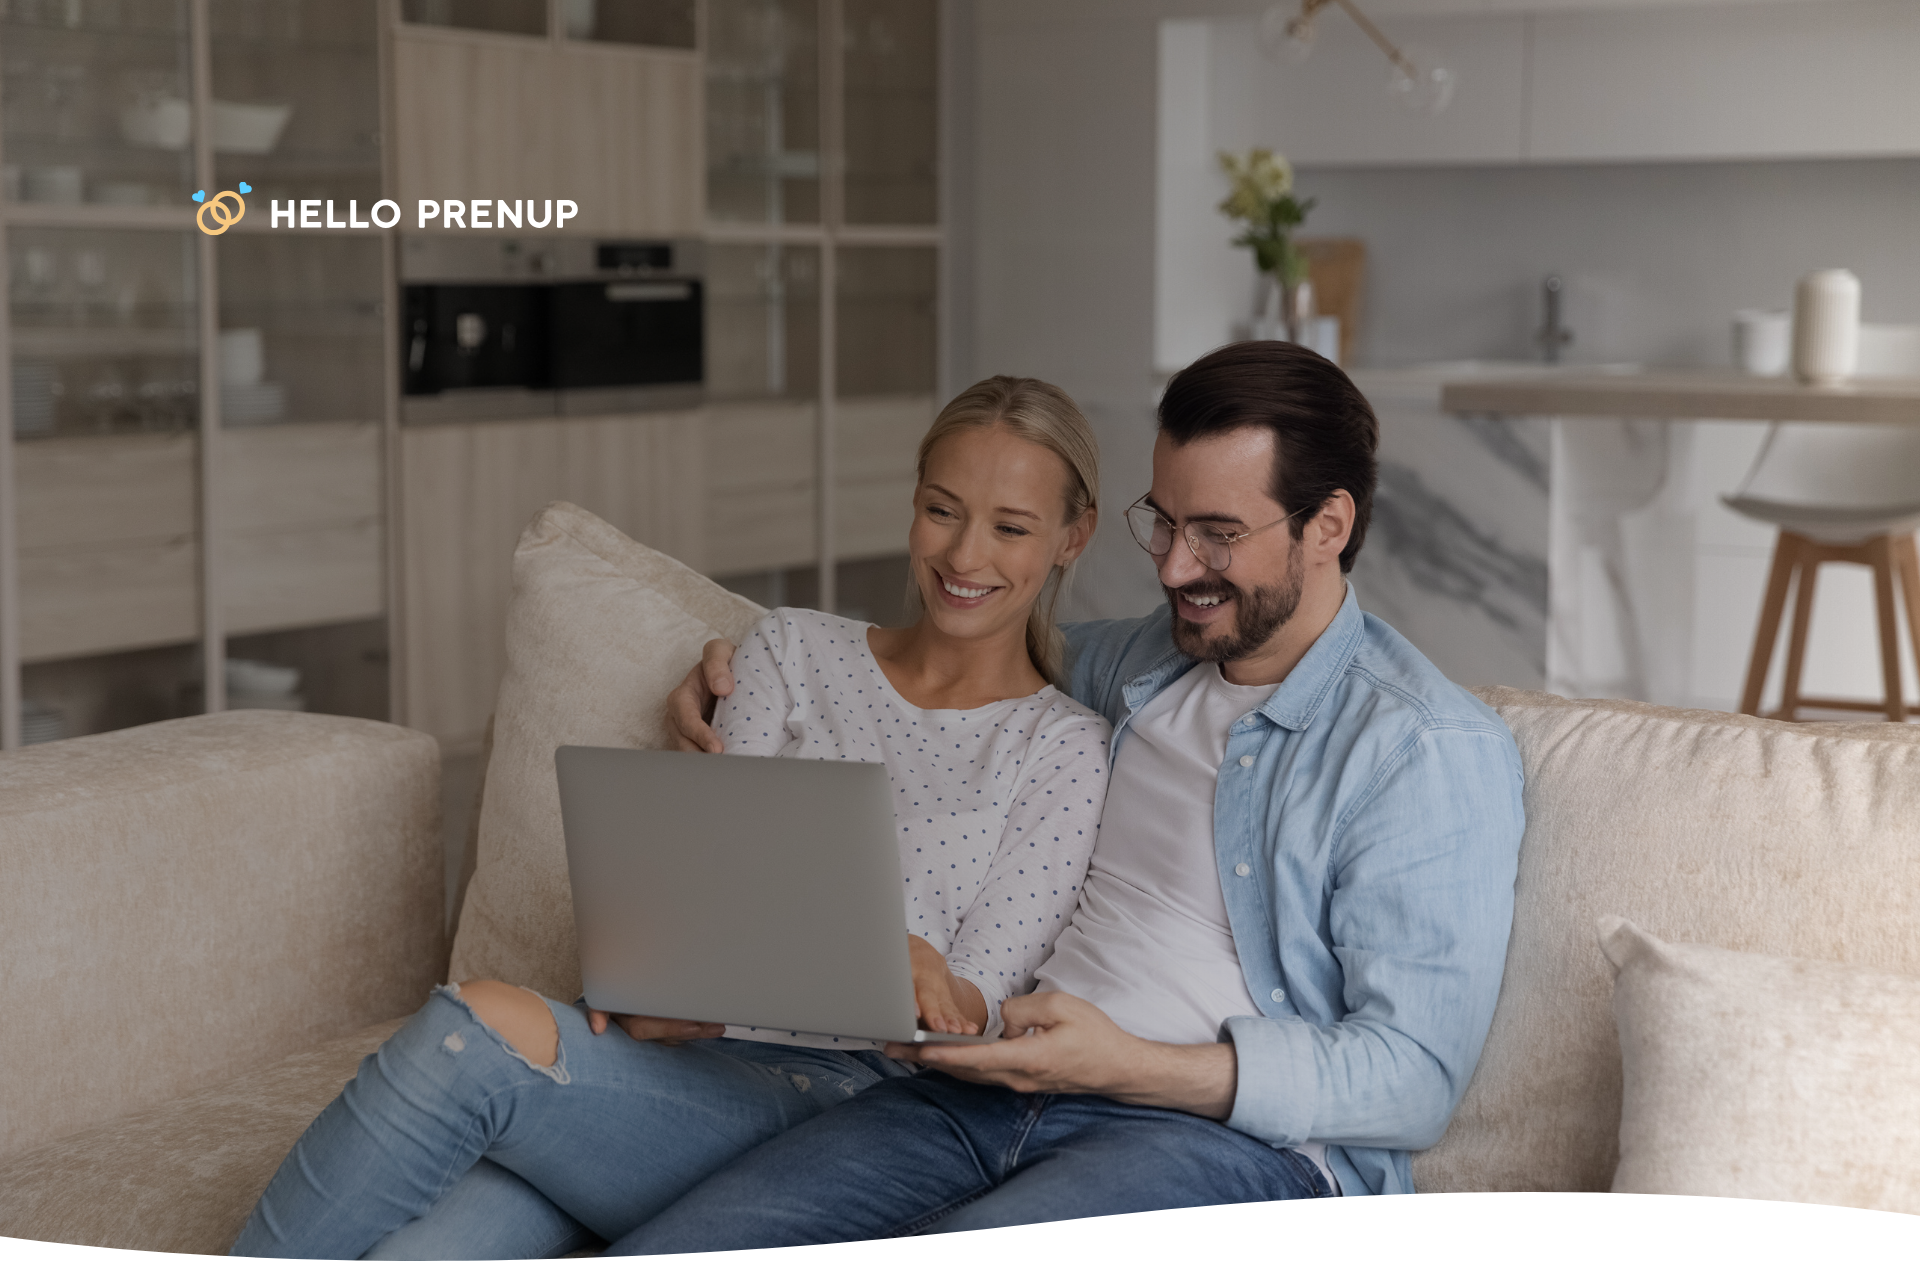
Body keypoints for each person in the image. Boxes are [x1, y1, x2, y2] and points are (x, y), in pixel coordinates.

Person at [633, 340, 1526, 1250]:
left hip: (1214, 1143)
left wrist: (1129, 1066)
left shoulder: (1421, 750)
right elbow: (949, 653)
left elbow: (1412, 1078)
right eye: (1164, 523)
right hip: (978, 1093)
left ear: (1327, 526)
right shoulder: (1129, 664)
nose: (1176, 570)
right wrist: (723, 663)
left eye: (1218, 533)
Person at [230, 375, 1113, 1259]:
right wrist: (657, 983)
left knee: (477, 1030)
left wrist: (912, 971)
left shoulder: (1062, 749)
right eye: (942, 510)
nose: (965, 556)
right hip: (669, 1056)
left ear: (1073, 536)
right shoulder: (792, 649)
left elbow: (980, 1012)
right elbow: (706, 877)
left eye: (1011, 527)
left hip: (845, 1104)